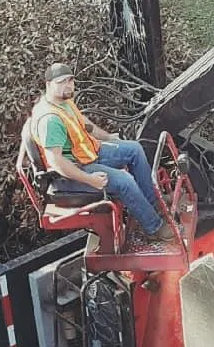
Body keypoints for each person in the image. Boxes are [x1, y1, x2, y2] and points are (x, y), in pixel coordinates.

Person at [31, 62, 174, 242]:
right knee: (125, 181)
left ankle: (154, 204)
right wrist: (90, 180)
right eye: (61, 82)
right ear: (48, 84)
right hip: (71, 174)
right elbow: (57, 163)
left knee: (134, 149)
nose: (67, 85)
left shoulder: (64, 102)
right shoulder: (50, 120)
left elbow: (85, 125)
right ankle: (154, 228)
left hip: (88, 153)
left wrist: (110, 138)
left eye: (70, 80)